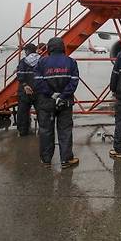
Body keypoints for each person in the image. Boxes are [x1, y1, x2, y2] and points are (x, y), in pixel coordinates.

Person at [33, 37, 79, 169]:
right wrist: (63, 96)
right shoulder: (71, 62)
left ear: (49, 48)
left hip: (47, 102)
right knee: (65, 130)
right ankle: (66, 160)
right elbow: (74, 81)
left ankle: (46, 160)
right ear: (62, 47)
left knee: (46, 131)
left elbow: (37, 81)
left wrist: (51, 94)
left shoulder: (42, 62)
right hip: (65, 103)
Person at [16, 43, 40, 136]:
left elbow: (20, 74)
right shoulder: (41, 60)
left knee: (23, 112)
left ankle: (23, 131)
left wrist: (25, 85)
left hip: (25, 90)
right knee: (41, 111)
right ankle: (42, 130)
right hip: (38, 90)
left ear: (27, 51)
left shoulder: (23, 61)